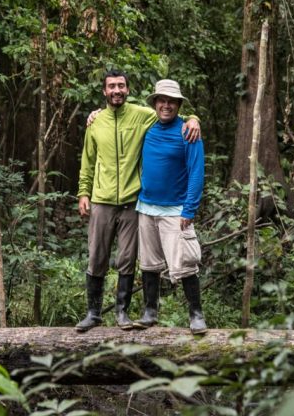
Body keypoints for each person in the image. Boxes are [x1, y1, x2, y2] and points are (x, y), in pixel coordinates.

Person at [75, 70, 201, 332]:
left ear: (128, 90)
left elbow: (175, 119)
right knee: (103, 257)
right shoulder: (97, 122)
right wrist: (83, 193)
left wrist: (193, 118)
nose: (117, 90)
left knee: (132, 258)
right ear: (104, 91)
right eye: (111, 87)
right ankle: (95, 313)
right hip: (109, 200)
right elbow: (87, 162)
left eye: (121, 86)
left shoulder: (145, 117)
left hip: (136, 203)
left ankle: (124, 312)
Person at [132, 79, 207, 335]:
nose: (166, 106)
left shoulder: (188, 131)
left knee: (185, 263)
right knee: (149, 264)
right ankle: (150, 311)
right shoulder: (147, 128)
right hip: (146, 207)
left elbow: (196, 173)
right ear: (154, 103)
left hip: (175, 210)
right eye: (161, 101)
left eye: (171, 102)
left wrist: (189, 209)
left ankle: (196, 314)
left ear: (178, 105)